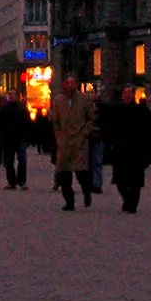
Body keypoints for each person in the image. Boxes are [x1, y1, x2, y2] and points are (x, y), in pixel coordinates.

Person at [48, 75, 96, 210]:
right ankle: (69, 202)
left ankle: (87, 192)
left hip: (79, 140)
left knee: (81, 172)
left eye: (72, 83)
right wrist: (58, 136)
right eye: (67, 84)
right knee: (64, 174)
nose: (70, 86)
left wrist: (84, 134)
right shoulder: (58, 101)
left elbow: (91, 119)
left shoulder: (84, 100)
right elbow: (55, 121)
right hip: (64, 142)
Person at [107, 89, 151, 213]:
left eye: (130, 93)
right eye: (125, 93)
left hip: (137, 150)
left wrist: (147, 146)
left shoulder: (141, 110)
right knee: (120, 179)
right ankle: (127, 199)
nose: (127, 95)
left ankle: (132, 204)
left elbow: (150, 128)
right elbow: (109, 128)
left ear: (134, 95)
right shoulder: (116, 110)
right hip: (120, 149)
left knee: (135, 180)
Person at [0, 92, 31, 189]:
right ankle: (12, 182)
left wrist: (27, 136)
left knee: (22, 161)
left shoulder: (22, 109)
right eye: (9, 94)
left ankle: (21, 181)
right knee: (9, 161)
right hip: (8, 139)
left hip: (20, 138)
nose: (11, 96)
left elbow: (28, 123)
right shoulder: (4, 109)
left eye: (13, 94)